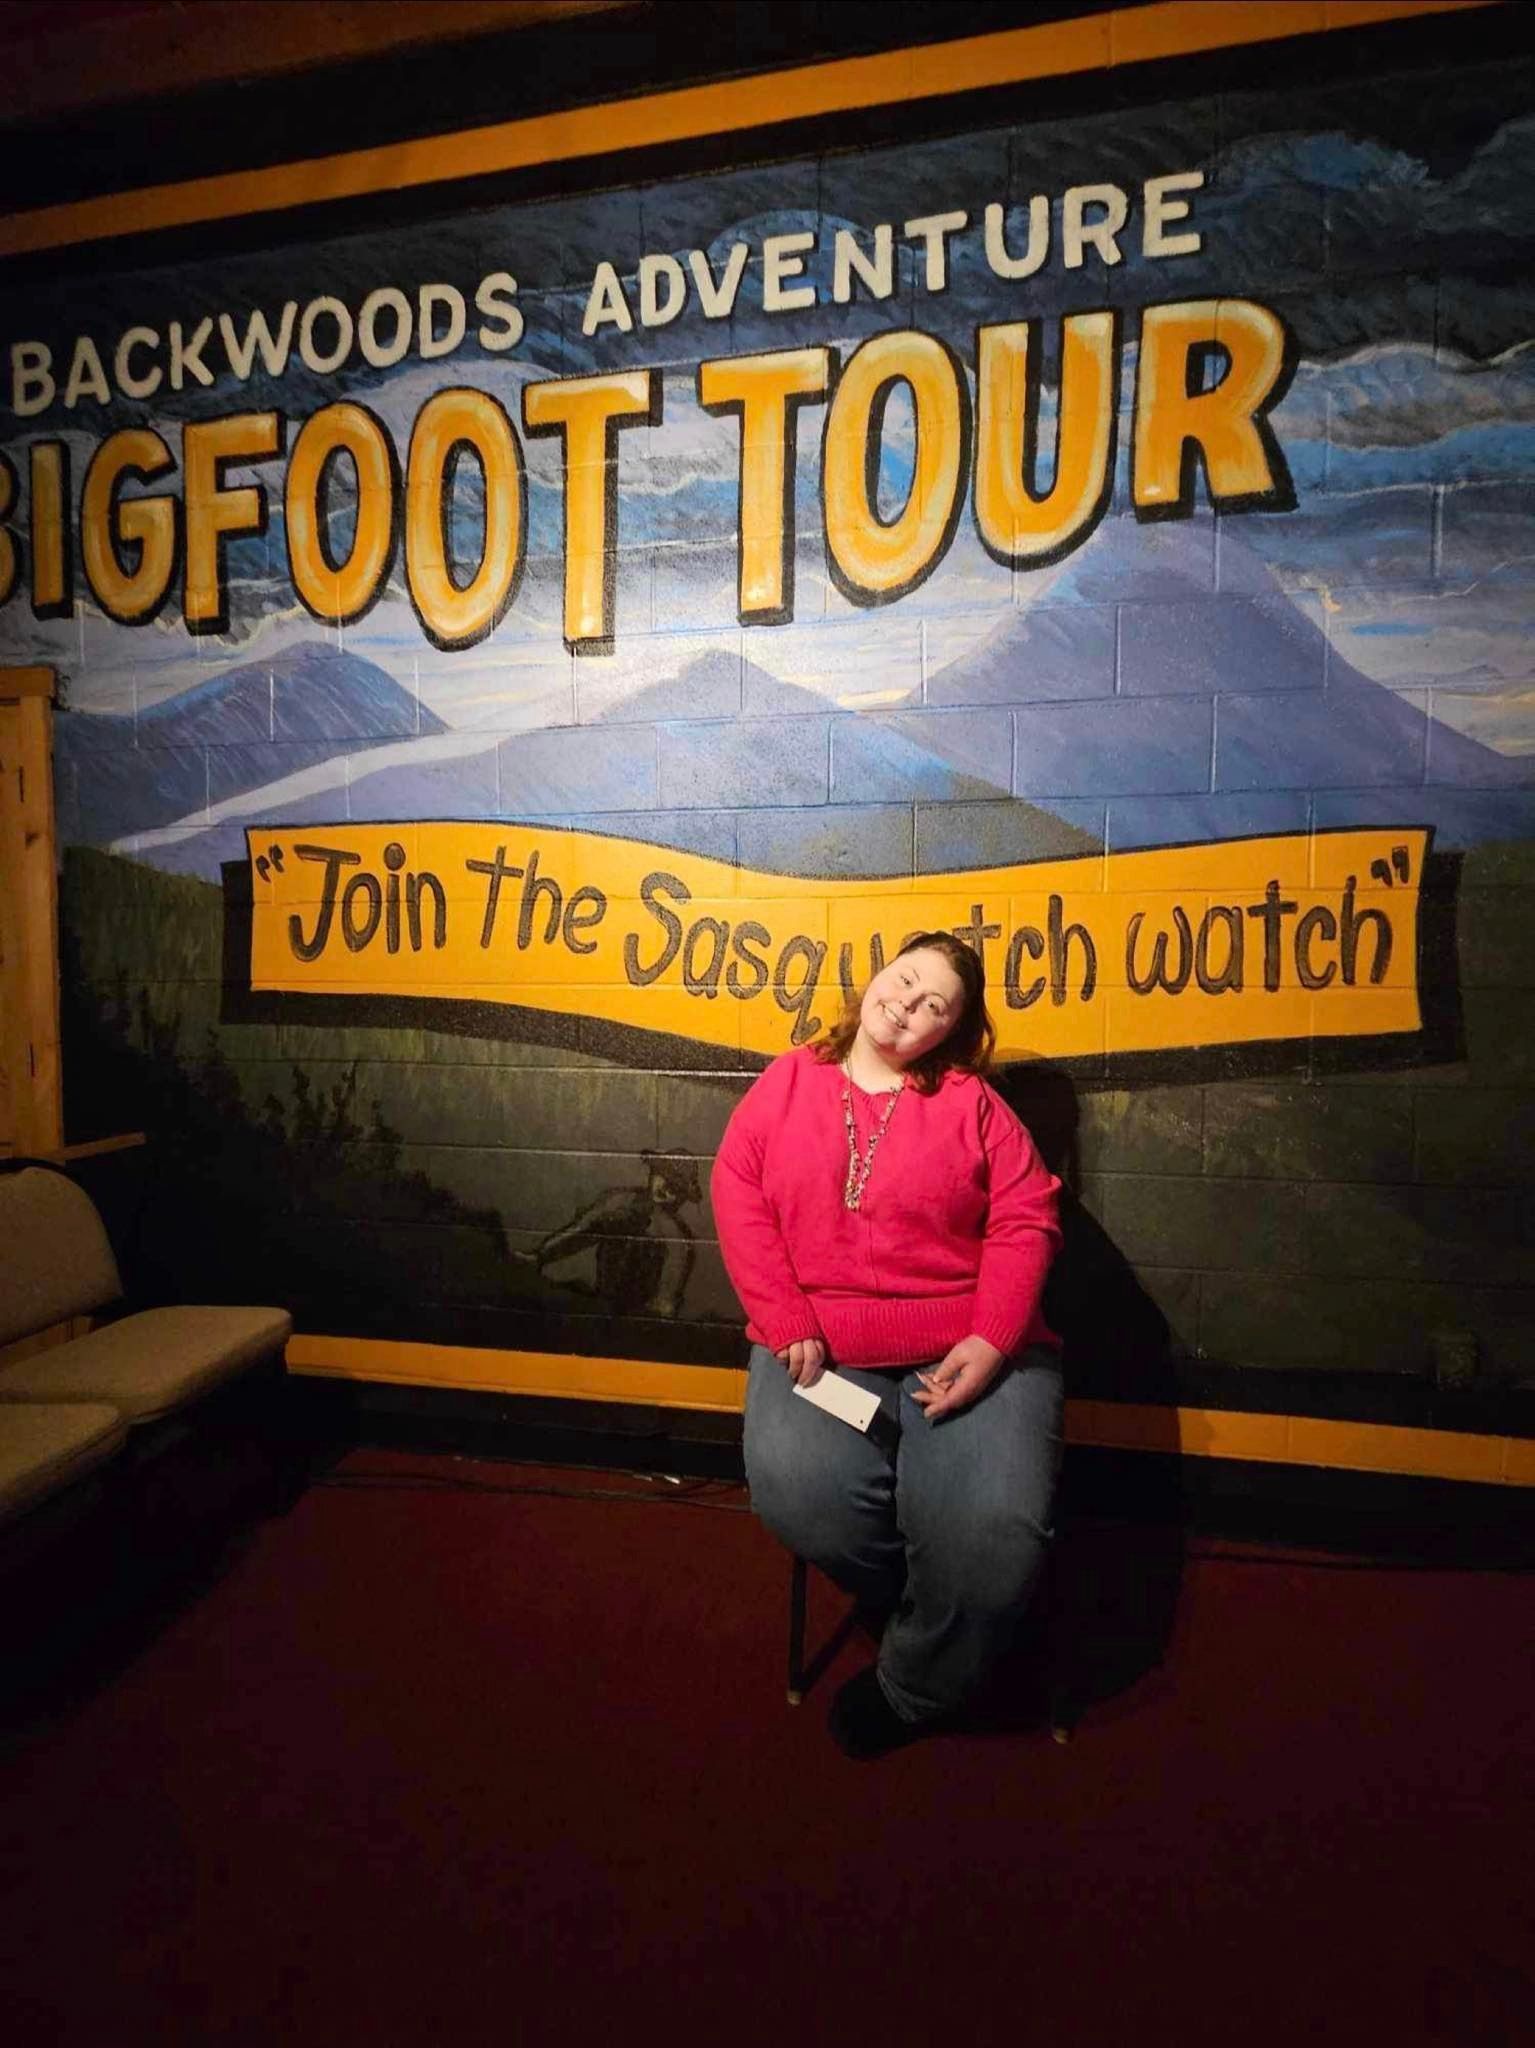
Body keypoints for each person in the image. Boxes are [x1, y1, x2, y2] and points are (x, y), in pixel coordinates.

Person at [712, 930, 1064, 1760]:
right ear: (875, 976)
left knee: (993, 1532)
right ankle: (941, 1606)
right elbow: (736, 1188)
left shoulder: (974, 1104)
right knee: (804, 1496)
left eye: (933, 1004)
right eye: (904, 980)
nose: (907, 1004)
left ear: (951, 1031)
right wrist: (784, 1317)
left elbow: (1027, 1216)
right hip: (819, 1347)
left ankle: (916, 1684)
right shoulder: (787, 1080)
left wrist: (993, 1336)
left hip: (965, 1345)